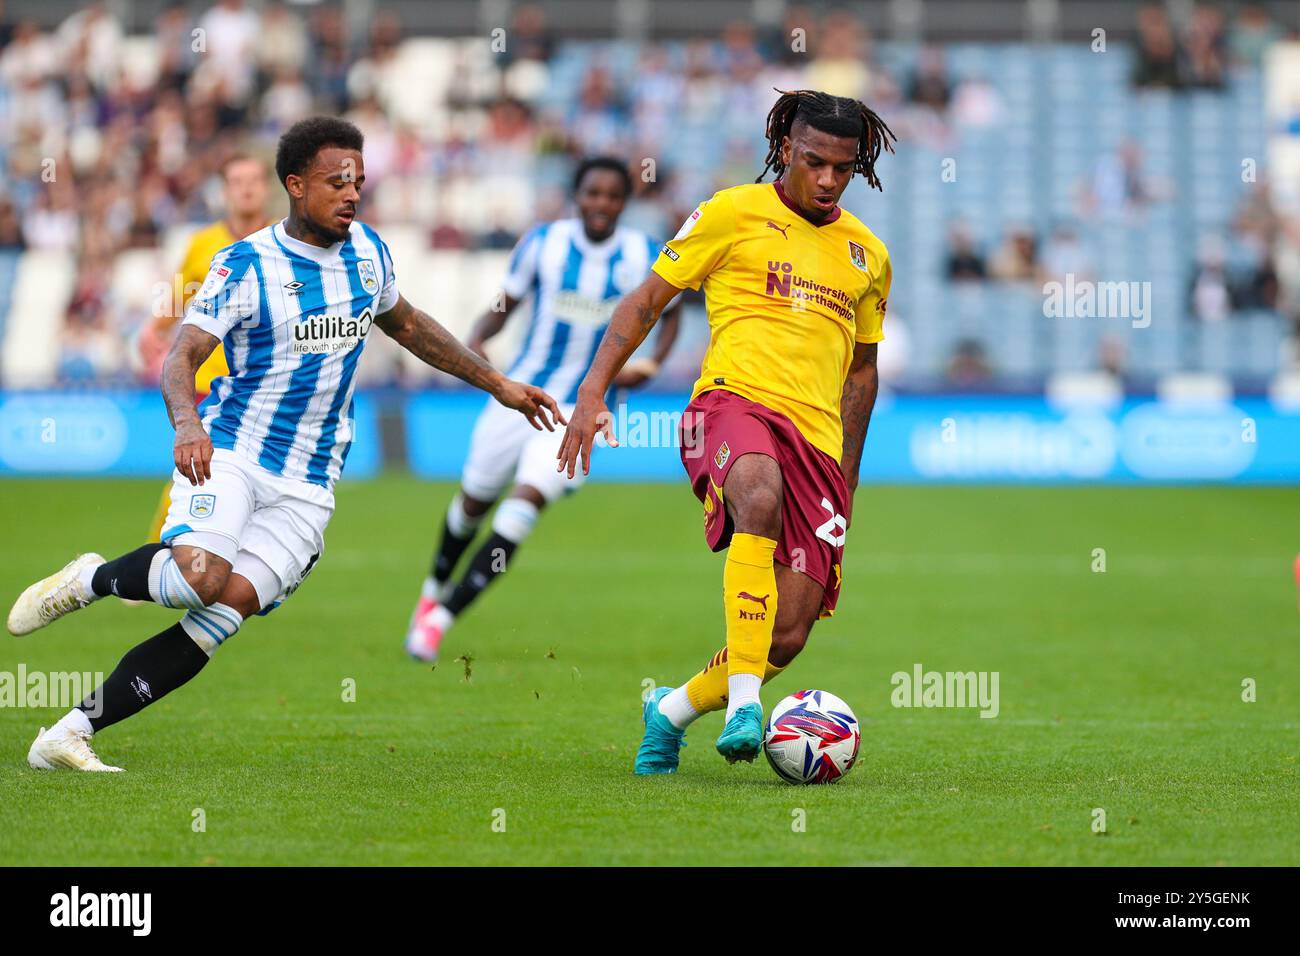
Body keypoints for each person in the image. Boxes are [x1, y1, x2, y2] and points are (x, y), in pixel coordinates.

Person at [6, 116, 562, 772]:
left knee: (226, 611)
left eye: (357, 179)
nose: (352, 193)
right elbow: (181, 356)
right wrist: (188, 425)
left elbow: (409, 325)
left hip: (311, 478)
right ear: (296, 186)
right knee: (201, 580)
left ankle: (67, 734)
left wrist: (497, 383)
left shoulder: (369, 253)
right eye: (336, 182)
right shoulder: (245, 264)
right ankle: (91, 578)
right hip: (234, 450)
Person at [557, 89, 893, 773]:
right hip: (729, 407)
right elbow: (647, 301)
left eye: (844, 168)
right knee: (758, 497)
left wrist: (848, 476)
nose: (828, 179)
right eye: (814, 162)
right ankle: (746, 704)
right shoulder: (731, 212)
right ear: (784, 150)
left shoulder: (868, 254)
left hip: (819, 444)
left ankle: (673, 709)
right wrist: (595, 388)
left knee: (789, 633)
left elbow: (861, 374)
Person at [404, 157, 682, 662]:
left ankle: (441, 621)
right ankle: (430, 593)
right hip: (521, 396)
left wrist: (655, 364)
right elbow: (504, 302)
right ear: (578, 196)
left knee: (526, 502)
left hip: (582, 410)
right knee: (472, 505)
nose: (601, 203)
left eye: (612, 196)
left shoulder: (644, 253)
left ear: (625, 202)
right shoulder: (543, 244)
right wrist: (478, 339)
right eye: (592, 193)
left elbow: (672, 311)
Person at [140, 152, 273, 542]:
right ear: (225, 191)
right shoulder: (203, 244)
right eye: (237, 181)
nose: (246, 188)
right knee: (195, 464)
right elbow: (178, 297)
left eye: (254, 180)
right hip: (211, 382)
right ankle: (159, 551)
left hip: (265, 381)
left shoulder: (283, 241)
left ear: (267, 187)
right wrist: (152, 331)